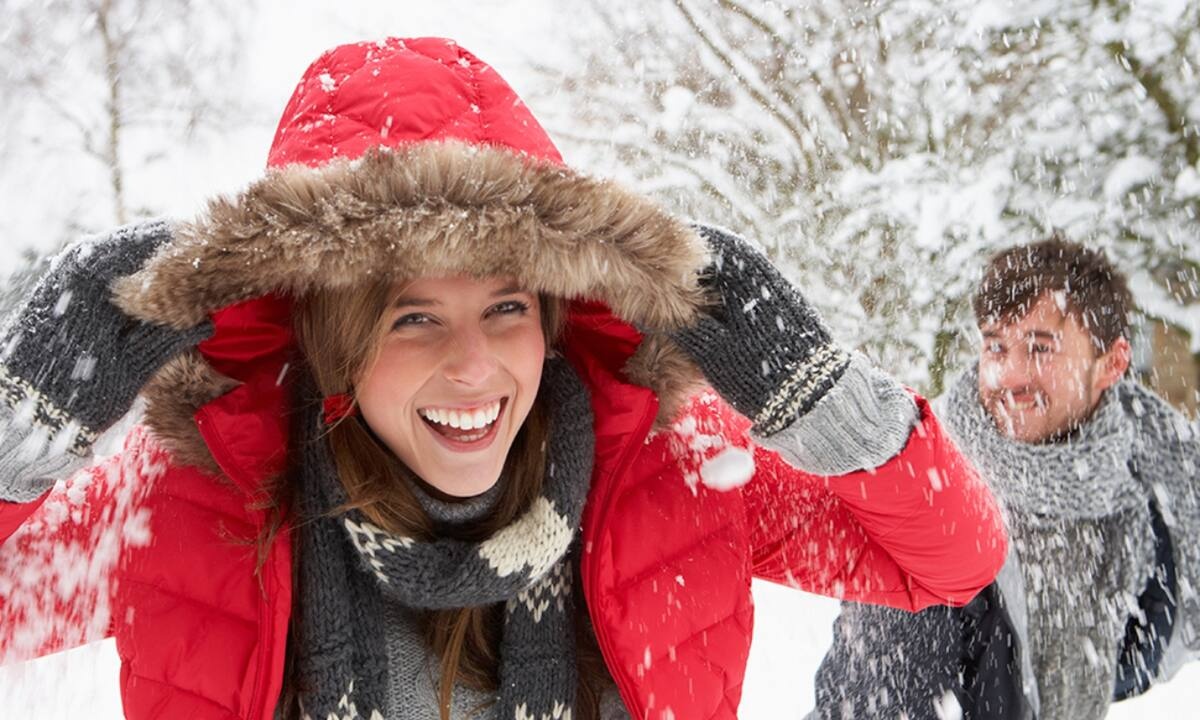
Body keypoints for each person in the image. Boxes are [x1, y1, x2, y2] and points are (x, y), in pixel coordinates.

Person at [0, 38, 1007, 720]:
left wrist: (824, 400)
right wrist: (20, 429)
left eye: (507, 308)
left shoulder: (671, 467)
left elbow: (946, 562)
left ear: (554, 314)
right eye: (411, 317)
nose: (474, 366)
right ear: (332, 338)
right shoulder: (195, 492)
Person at [811, 237, 1200, 720]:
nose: (1008, 376)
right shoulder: (931, 501)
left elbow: (1143, 652)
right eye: (995, 345)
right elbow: (867, 704)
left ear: (1113, 364)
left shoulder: (1153, 481)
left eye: (1040, 348)